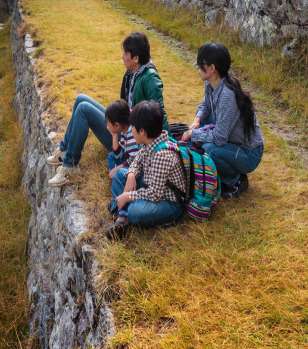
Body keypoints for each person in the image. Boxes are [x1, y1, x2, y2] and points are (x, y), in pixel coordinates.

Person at [48, 31, 166, 187]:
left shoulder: (149, 78)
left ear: (136, 58)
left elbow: (160, 114)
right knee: (81, 98)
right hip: (125, 124)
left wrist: (163, 150)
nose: (122, 57)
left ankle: (70, 165)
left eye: (126, 53)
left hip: (130, 138)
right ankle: (64, 150)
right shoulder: (134, 72)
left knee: (84, 109)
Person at [181, 42, 264, 198]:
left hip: (249, 152)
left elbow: (220, 138)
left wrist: (193, 134)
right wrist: (197, 120)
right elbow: (206, 104)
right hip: (233, 141)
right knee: (204, 123)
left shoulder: (227, 95)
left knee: (209, 149)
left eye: (200, 64)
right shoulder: (211, 83)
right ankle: (219, 170)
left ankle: (235, 180)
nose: (198, 68)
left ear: (212, 68)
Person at [105, 100, 186, 238]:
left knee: (135, 212)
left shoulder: (162, 155)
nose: (131, 131)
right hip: (153, 186)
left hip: (168, 202)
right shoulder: (150, 141)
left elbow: (155, 194)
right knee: (120, 174)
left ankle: (123, 210)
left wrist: (128, 196)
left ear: (142, 131)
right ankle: (122, 213)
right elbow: (137, 161)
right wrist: (131, 175)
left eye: (133, 128)